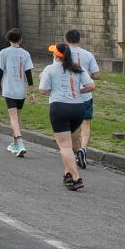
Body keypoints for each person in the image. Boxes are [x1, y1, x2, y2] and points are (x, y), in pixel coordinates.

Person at [39, 42, 95, 191]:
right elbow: (91, 86)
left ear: (56, 55)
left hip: (60, 108)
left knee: (65, 146)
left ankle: (76, 178)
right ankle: (67, 174)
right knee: (68, 142)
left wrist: (43, 78)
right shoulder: (78, 68)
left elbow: (43, 91)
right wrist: (78, 91)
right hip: (78, 108)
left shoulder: (50, 69)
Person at [64, 30, 100, 169]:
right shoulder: (88, 54)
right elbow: (96, 75)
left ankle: (76, 150)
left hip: (69, 95)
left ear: (66, 40)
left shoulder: (62, 54)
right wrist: (87, 74)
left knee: (71, 126)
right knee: (86, 125)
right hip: (85, 95)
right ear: (79, 40)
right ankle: (83, 150)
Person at [0, 29, 34, 157]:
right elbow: (28, 73)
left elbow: (0, 71)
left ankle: (20, 143)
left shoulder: (3, 52)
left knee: (13, 118)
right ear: (20, 39)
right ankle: (15, 144)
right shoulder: (25, 53)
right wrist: (32, 91)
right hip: (21, 90)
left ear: (8, 39)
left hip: (9, 89)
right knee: (17, 118)